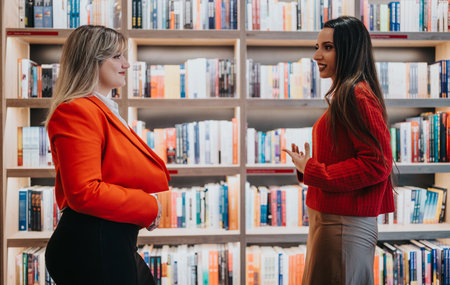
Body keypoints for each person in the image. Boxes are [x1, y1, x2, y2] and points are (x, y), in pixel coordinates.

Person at [44, 25, 170, 285]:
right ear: (91, 61)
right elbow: (84, 192)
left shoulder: (103, 109)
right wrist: (150, 206)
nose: (127, 64)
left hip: (109, 242)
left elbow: (114, 172)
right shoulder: (77, 110)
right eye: (116, 57)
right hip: (91, 246)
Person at [284, 16, 394, 285]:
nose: (316, 55)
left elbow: (377, 164)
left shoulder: (356, 95)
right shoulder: (348, 93)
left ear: (350, 50)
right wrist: (307, 167)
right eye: (317, 46)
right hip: (334, 222)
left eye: (328, 47)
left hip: (343, 226)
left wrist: (313, 170)